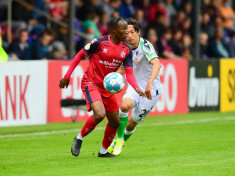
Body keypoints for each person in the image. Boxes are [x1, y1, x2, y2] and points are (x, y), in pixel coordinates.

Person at [59, 17, 144, 158]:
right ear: (113, 30)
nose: (126, 32)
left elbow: (129, 72)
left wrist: (136, 88)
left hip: (107, 88)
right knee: (99, 114)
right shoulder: (99, 42)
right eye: (123, 29)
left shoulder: (126, 50)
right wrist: (67, 76)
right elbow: (80, 55)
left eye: (127, 29)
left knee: (115, 121)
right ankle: (79, 138)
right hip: (91, 82)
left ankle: (103, 151)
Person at [108, 18, 162, 156]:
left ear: (138, 32)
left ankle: (121, 140)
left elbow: (157, 64)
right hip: (135, 86)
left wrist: (149, 83)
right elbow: (123, 68)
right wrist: (112, 79)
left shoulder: (146, 45)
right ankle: (119, 139)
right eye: (127, 33)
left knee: (132, 123)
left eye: (132, 32)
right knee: (124, 106)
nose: (129, 36)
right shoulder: (125, 48)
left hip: (151, 91)